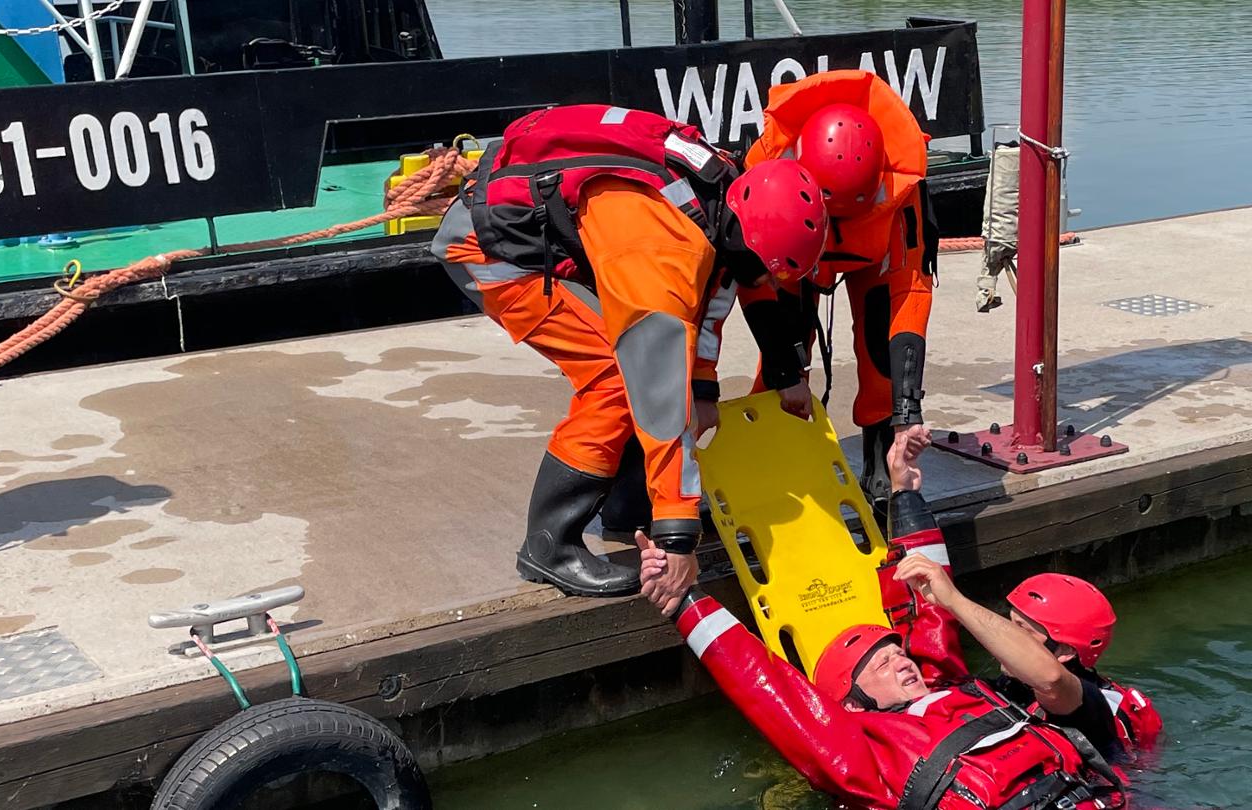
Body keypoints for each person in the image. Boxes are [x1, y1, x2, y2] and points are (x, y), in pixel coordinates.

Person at [432, 104, 822, 599]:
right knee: (618, 379)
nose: (763, 284)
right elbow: (657, 391)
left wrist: (704, 387)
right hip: (491, 251)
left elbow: (714, 296)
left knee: (648, 369)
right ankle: (549, 546)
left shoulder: (725, 195)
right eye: (764, 271)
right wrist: (678, 537)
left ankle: (628, 507)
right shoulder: (664, 249)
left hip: (573, 232)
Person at [637, 431, 1130, 809]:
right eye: (883, 663)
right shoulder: (863, 749)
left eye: (898, 651)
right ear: (852, 703)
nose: (902, 660)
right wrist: (684, 600)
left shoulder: (959, 692)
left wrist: (907, 497)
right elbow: (767, 687)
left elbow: (930, 613)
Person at [739, 70, 942, 514]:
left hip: (874, 253)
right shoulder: (770, 170)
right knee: (784, 353)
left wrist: (909, 411)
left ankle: (881, 462)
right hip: (795, 256)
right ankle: (768, 455)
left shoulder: (902, 188)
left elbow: (910, 295)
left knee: (879, 349)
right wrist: (785, 373)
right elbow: (756, 288)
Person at [1000, 574, 1165, 764]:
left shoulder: (1084, 708)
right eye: (1008, 623)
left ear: (1065, 651)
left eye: (1021, 630)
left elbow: (1055, 684)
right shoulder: (1015, 684)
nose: (1005, 637)